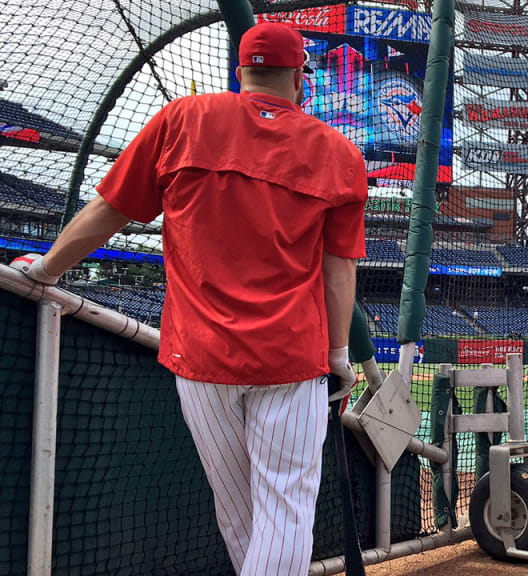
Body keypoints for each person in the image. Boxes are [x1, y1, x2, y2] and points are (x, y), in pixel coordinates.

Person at [11, 22, 368, 576]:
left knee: (238, 516)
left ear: (239, 72)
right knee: (285, 513)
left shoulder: (183, 119)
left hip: (201, 358)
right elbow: (337, 266)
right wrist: (340, 355)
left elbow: (110, 209)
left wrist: (45, 270)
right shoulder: (338, 152)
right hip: (292, 358)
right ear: (301, 78)